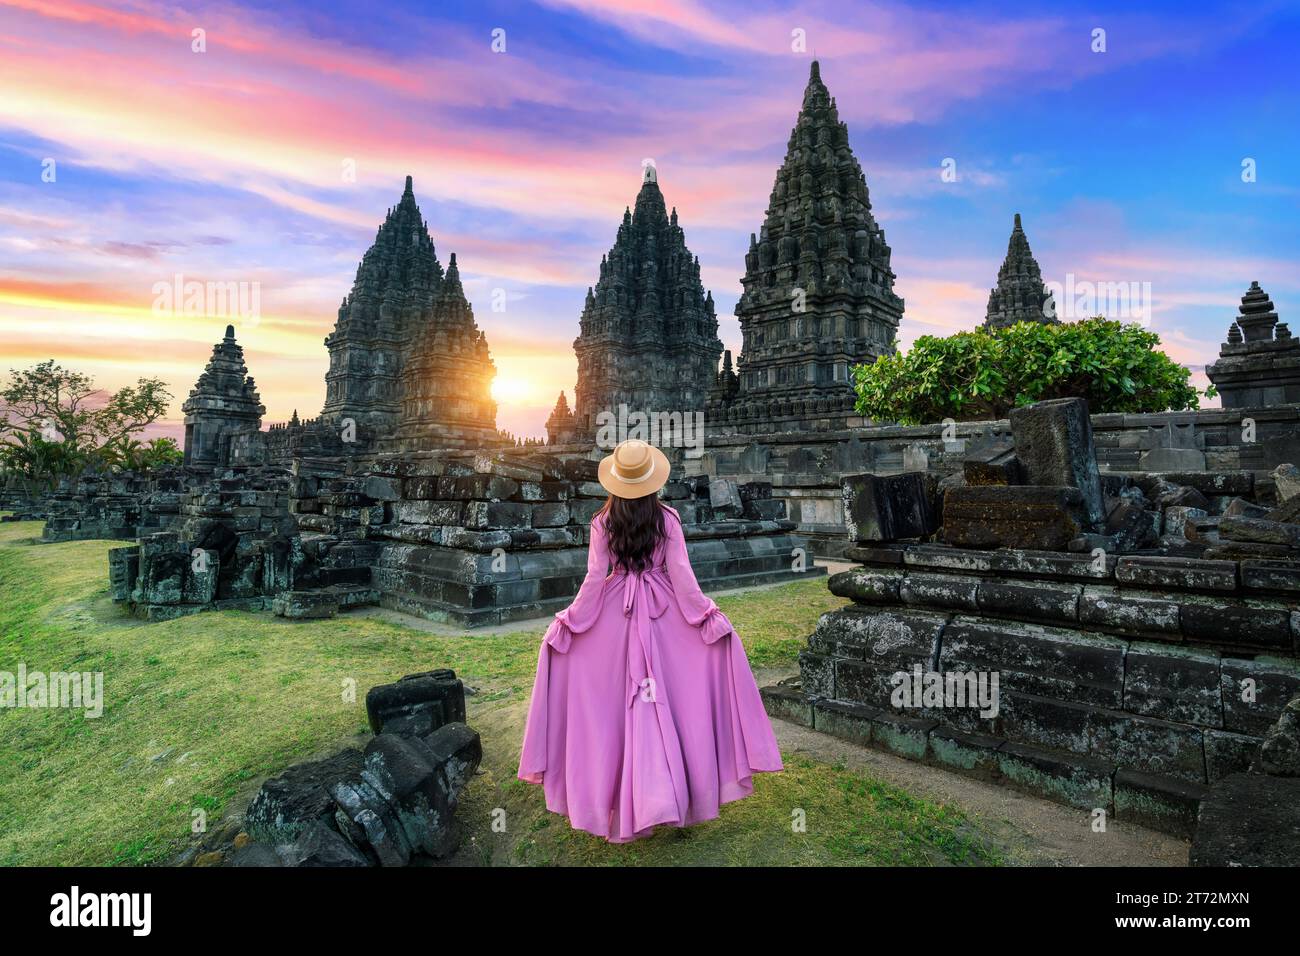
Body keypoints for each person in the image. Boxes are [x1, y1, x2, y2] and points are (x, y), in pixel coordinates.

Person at [518, 439, 783, 843]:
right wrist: (704, 615)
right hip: (663, 609)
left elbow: (594, 579)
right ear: (652, 481)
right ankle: (668, 796)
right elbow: (682, 576)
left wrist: (571, 622)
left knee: (617, 708)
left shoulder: (602, 521)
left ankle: (632, 800)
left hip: (615, 609)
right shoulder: (668, 519)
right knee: (668, 702)